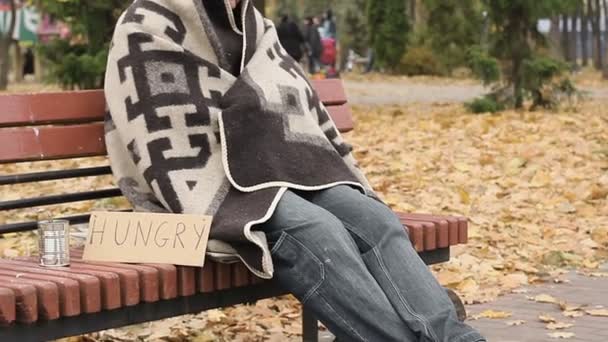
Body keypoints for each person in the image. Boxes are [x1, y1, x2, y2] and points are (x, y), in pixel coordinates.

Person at [104, 1, 486, 341]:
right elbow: (156, 125)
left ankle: (455, 337)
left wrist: (252, 109)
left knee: (375, 219)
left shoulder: (255, 25)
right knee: (317, 230)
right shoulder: (146, 21)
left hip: (282, 168)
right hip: (207, 182)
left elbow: (290, 93)